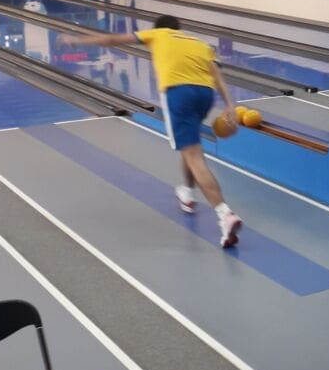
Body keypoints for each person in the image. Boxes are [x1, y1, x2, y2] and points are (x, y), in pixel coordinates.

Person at [59, 16, 243, 247]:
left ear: (158, 28)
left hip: (179, 93)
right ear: (179, 29)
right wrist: (230, 105)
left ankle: (224, 214)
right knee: (190, 146)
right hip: (205, 95)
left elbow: (113, 40)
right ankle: (187, 192)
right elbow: (217, 76)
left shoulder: (158, 34)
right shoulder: (199, 43)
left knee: (194, 156)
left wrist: (76, 40)